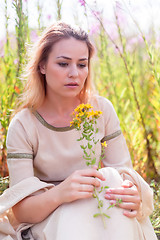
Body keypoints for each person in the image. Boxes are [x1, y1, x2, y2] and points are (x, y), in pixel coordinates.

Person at [0, 22, 157, 240]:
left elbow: (123, 173)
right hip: (51, 218)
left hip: (102, 211)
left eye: (82, 65)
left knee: (111, 177)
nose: (74, 73)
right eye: (63, 64)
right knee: (83, 206)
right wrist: (62, 193)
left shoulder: (101, 110)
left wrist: (131, 193)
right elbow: (21, 211)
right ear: (42, 66)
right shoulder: (24, 125)